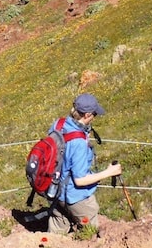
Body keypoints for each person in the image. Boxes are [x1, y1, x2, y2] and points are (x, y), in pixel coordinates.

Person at [47, 93, 122, 234]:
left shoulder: (59, 124)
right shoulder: (79, 143)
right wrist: (109, 172)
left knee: (55, 238)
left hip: (54, 192)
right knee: (90, 234)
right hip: (75, 197)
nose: (95, 116)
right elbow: (80, 180)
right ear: (87, 115)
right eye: (94, 114)